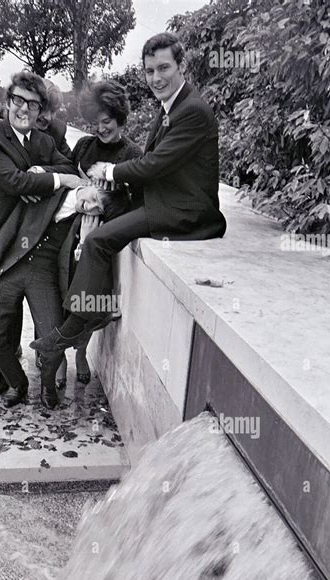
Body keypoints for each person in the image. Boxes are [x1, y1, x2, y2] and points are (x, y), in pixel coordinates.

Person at [30, 32, 227, 357]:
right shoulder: (173, 107)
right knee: (102, 219)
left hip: (186, 212)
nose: (156, 78)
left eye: (164, 68)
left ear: (181, 65)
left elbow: (155, 164)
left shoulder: (192, 111)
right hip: (164, 200)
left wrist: (109, 172)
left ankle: (73, 327)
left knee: (97, 241)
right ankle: (96, 310)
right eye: (150, 71)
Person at [0, 71, 80, 387]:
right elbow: (13, 182)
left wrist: (44, 171)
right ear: (8, 102)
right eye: (17, 101)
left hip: (11, 235)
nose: (24, 109)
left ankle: (7, 366)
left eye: (32, 105)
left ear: (39, 111)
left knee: (7, 302)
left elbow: (68, 166)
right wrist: (54, 180)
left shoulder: (43, 141)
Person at [0, 184, 131, 409]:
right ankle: (18, 382)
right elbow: (9, 229)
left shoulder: (89, 224)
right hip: (12, 268)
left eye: (97, 209)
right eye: (94, 198)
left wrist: (84, 242)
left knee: (53, 343)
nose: (89, 207)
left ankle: (47, 385)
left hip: (46, 277)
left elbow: (86, 269)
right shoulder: (45, 190)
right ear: (92, 186)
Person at [56, 80, 143, 387]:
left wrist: (104, 206)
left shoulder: (133, 153)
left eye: (106, 122)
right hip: (73, 229)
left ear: (119, 118)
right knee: (64, 290)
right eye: (95, 123)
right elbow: (67, 181)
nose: (100, 129)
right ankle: (61, 355)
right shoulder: (83, 147)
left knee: (89, 299)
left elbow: (136, 205)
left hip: (104, 238)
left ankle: (81, 352)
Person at [36, 79, 72, 159]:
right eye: (44, 108)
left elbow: (70, 166)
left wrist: (41, 170)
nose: (48, 117)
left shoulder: (57, 131)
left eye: (53, 111)